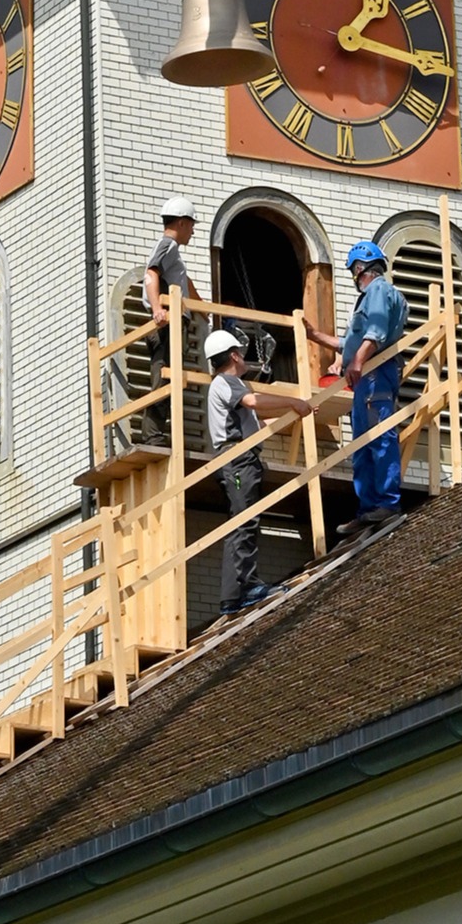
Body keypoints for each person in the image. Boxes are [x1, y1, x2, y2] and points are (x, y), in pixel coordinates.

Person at [202, 328, 318, 613]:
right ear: (233, 355)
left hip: (238, 458)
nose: (244, 358)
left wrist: (293, 412)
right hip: (238, 459)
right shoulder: (227, 382)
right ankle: (246, 586)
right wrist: (292, 401)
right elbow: (254, 403)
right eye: (240, 353)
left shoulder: (226, 387)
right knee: (245, 522)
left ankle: (234, 594)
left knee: (242, 522)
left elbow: (255, 416)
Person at [303, 240, 409, 537]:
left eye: (354, 272)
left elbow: (375, 333)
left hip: (375, 371)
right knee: (363, 442)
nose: (354, 278)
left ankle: (386, 503)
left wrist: (358, 362)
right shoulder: (371, 297)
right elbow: (348, 343)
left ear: (361, 268)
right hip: (365, 375)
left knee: (378, 436)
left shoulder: (378, 291)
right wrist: (316, 336)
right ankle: (368, 509)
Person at [142, 198, 201, 443]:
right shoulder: (169, 245)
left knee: (169, 375)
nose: (193, 230)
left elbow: (184, 284)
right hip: (168, 324)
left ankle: (156, 433)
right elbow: (151, 273)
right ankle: (153, 434)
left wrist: (203, 310)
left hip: (175, 322)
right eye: (191, 225)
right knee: (164, 376)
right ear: (181, 222)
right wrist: (157, 308)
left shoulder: (173, 253)